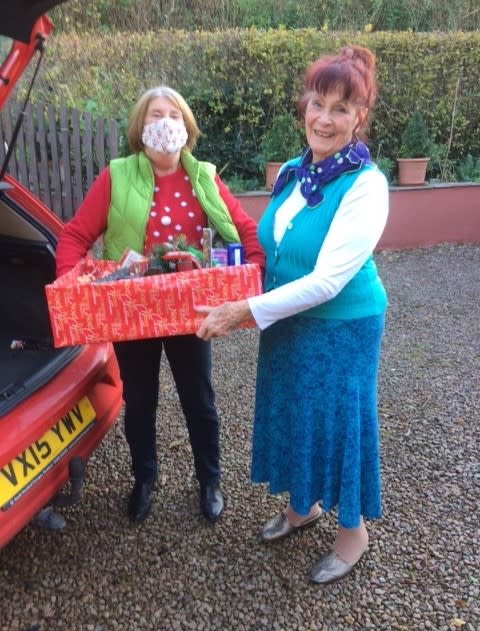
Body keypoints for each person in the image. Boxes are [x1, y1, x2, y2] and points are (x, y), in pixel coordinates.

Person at [196, 45, 389, 584]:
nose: (325, 118)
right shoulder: (291, 171)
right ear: (304, 106)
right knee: (296, 415)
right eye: (318, 103)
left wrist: (243, 310)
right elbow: (270, 246)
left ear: (359, 118)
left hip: (342, 327)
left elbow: (328, 280)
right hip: (288, 322)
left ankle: (353, 535)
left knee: (339, 425)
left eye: (341, 109)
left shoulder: (367, 186)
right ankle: (304, 506)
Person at [55, 86, 265, 524]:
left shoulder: (205, 175)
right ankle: (144, 479)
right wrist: (70, 284)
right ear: (140, 126)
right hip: (133, 309)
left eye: (174, 115)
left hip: (191, 309)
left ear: (186, 126)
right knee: (141, 401)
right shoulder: (116, 175)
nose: (165, 123)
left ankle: (210, 480)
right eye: (155, 114)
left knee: (199, 399)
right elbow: (76, 236)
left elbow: (244, 229)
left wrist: (255, 272)